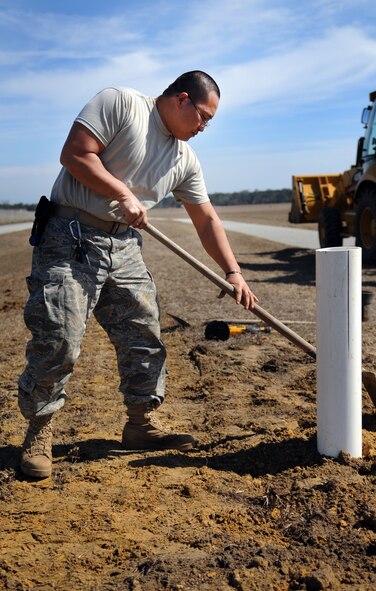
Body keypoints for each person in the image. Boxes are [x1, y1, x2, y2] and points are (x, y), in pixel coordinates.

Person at [18, 70, 259, 478]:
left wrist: (233, 271)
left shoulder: (184, 159)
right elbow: (75, 154)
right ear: (182, 99)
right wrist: (122, 193)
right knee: (59, 334)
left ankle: (141, 424)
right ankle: (39, 431)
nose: (204, 127)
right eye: (203, 117)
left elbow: (206, 219)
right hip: (71, 235)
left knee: (143, 334)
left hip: (125, 246)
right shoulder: (122, 103)